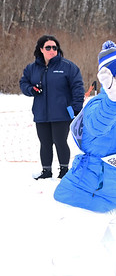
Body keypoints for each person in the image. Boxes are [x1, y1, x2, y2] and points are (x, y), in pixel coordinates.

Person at [52, 40, 116, 276]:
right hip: (87, 201)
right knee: (71, 265)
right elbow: (96, 126)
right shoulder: (99, 105)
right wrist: (112, 100)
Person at [19, 35, 84, 180]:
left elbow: (78, 87)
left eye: (55, 47)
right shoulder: (32, 68)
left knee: (60, 142)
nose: (52, 50)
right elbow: (23, 84)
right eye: (48, 47)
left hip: (62, 113)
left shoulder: (68, 67)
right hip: (41, 113)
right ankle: (46, 171)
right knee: (45, 143)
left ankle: (64, 171)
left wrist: (76, 108)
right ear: (41, 49)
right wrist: (31, 89)